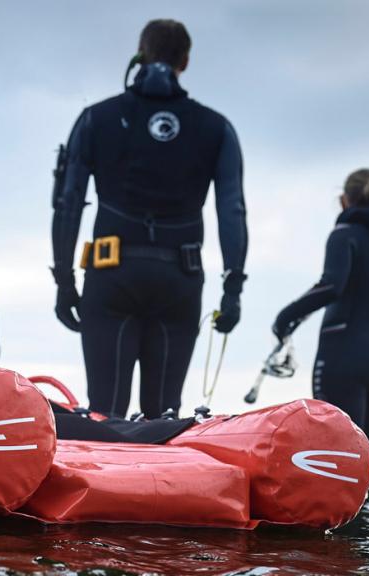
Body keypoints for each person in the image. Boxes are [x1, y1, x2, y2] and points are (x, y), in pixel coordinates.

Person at [51, 19, 248, 419]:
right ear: (186, 61)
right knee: (163, 413)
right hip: (180, 279)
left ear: (141, 53)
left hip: (111, 277)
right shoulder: (216, 127)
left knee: (106, 411)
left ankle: (104, 472)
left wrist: (64, 280)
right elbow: (232, 209)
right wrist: (233, 286)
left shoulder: (95, 118)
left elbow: (68, 203)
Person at [273, 169, 369, 452]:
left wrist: (285, 318)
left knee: (334, 459)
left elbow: (332, 286)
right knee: (363, 465)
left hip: (343, 356)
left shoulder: (344, 235)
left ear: (345, 200)